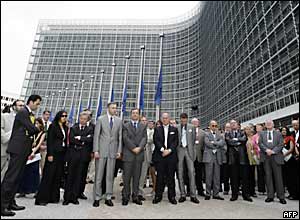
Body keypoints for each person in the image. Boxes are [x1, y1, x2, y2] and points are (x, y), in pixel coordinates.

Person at [1, 95, 41, 217]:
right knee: (11, 177)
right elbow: (32, 129)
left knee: (17, 178)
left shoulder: (30, 115)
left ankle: (10, 202)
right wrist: (36, 128)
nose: (38, 106)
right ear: (31, 102)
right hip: (18, 149)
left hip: (24, 149)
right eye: (37, 103)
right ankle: (2, 205)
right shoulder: (23, 112)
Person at [35, 110, 68, 206]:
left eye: (66, 116)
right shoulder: (53, 126)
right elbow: (50, 141)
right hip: (53, 154)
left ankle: (53, 197)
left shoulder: (65, 128)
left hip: (61, 155)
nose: (64, 117)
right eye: (63, 116)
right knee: (49, 175)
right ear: (58, 116)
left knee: (57, 176)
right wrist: (50, 154)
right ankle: (42, 199)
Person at [93, 102, 122, 207]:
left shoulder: (119, 121)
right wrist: (95, 150)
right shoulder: (101, 119)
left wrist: (119, 151)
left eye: (115, 108)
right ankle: (97, 197)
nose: (115, 109)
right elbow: (96, 136)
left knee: (110, 175)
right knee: (99, 175)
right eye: (113, 108)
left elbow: (119, 137)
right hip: (101, 151)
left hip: (113, 152)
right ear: (108, 108)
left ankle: (108, 196)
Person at [63, 112, 94, 205]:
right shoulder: (73, 128)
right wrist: (83, 140)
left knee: (79, 177)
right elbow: (72, 139)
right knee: (70, 176)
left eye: (85, 119)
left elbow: (90, 139)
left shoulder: (90, 129)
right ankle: (67, 198)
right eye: (82, 119)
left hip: (83, 156)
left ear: (87, 120)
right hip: (73, 155)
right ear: (79, 119)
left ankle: (74, 197)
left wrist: (80, 137)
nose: (83, 120)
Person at [121, 108, 147, 206]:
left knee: (137, 177)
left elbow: (145, 138)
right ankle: (125, 196)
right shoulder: (125, 125)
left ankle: (135, 196)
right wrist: (133, 148)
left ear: (139, 115)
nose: (135, 114)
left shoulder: (143, 126)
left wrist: (139, 148)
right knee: (126, 178)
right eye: (133, 113)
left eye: (137, 113)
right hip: (128, 154)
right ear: (131, 115)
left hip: (139, 155)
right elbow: (125, 138)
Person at [152, 113, 178, 205]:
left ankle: (172, 196)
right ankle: (158, 196)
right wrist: (163, 150)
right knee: (160, 177)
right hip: (160, 156)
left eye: (166, 118)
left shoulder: (174, 129)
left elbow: (175, 142)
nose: (165, 119)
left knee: (171, 177)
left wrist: (169, 150)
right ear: (161, 119)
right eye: (163, 118)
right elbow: (156, 141)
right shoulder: (157, 129)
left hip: (171, 157)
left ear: (169, 119)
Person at [258, 119, 286, 204]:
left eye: (270, 123)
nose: (269, 124)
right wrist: (266, 150)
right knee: (268, 176)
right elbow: (260, 143)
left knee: (278, 177)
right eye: (267, 123)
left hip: (276, 157)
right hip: (266, 157)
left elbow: (281, 144)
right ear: (265, 125)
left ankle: (281, 196)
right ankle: (270, 196)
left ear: (273, 124)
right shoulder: (262, 134)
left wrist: (273, 151)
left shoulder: (278, 133)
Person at [17, 118, 45, 198]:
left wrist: (33, 153)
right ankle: (22, 190)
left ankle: (36, 190)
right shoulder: (31, 132)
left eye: (38, 123)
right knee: (24, 172)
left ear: (41, 124)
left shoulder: (42, 133)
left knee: (35, 173)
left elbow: (39, 144)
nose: (36, 124)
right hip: (27, 153)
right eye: (35, 123)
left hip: (35, 154)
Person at [225, 119, 252, 202]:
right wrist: (238, 141)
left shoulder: (243, 132)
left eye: (234, 123)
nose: (233, 125)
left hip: (242, 158)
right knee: (233, 178)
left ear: (237, 125)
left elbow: (244, 140)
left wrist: (236, 140)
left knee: (244, 178)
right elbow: (229, 142)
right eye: (231, 123)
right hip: (232, 159)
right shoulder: (227, 133)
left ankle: (246, 195)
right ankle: (234, 195)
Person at [177, 113, 199, 204]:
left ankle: (193, 195)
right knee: (180, 172)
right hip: (180, 150)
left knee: (191, 172)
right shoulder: (176, 127)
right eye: (182, 120)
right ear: (180, 119)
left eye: (185, 120)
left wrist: (193, 153)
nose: (183, 122)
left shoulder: (192, 127)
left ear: (187, 119)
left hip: (189, 151)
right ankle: (182, 194)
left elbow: (193, 141)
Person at [1, 100, 24, 181]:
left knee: (5, 175)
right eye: (20, 105)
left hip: (15, 153)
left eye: (23, 106)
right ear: (14, 107)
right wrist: (15, 129)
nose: (22, 108)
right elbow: (3, 137)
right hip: (3, 150)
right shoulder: (4, 116)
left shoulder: (24, 120)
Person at [203, 120, 225, 200]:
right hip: (209, 157)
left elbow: (222, 143)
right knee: (208, 176)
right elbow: (207, 143)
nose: (214, 127)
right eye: (213, 125)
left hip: (217, 157)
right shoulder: (206, 134)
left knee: (217, 176)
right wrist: (217, 143)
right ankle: (208, 193)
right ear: (210, 126)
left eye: (216, 126)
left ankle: (216, 194)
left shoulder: (220, 134)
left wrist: (214, 142)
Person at [138, 118, 156, 200]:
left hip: (151, 155)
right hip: (140, 154)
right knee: (140, 174)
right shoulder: (140, 130)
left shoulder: (155, 131)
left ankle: (141, 192)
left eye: (146, 121)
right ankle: (137, 192)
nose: (145, 122)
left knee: (147, 173)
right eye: (143, 121)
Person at [281, 126, 297, 200]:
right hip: (284, 161)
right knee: (287, 178)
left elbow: (291, 149)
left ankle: (294, 194)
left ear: (287, 131)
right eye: (282, 130)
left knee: (292, 177)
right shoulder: (281, 139)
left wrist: (284, 155)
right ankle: (290, 193)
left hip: (290, 159)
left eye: (285, 130)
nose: (284, 131)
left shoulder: (290, 138)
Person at [191, 118, 206, 197]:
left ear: (198, 123)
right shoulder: (188, 131)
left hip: (199, 156)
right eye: (193, 122)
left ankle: (200, 190)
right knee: (189, 174)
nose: (194, 123)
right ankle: (189, 190)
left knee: (199, 174)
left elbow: (204, 145)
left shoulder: (203, 132)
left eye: (196, 122)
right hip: (190, 156)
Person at [244, 125, 260, 198]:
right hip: (245, 159)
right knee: (246, 175)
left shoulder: (254, 137)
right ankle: (247, 191)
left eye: (249, 129)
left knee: (252, 174)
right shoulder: (243, 138)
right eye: (246, 129)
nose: (248, 130)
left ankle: (252, 191)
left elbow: (257, 146)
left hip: (253, 158)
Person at [253, 123, 266, 195]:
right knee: (260, 172)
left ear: (262, 128)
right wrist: (256, 154)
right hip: (258, 155)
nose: (257, 129)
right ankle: (261, 189)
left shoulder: (265, 134)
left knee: (267, 172)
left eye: (259, 127)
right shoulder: (255, 136)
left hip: (265, 155)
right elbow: (254, 146)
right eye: (257, 128)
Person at [40, 110, 51, 175]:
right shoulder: (39, 122)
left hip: (45, 145)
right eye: (46, 114)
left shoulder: (50, 124)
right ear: (43, 115)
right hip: (38, 145)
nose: (48, 116)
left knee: (43, 163)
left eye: (49, 115)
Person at [221, 122, 231, 195]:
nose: (228, 128)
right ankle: (226, 189)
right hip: (224, 157)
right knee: (225, 175)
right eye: (226, 127)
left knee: (234, 174)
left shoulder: (233, 135)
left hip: (232, 157)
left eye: (229, 127)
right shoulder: (222, 136)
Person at [290, 120, 299, 200]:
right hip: (294, 158)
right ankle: (295, 194)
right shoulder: (292, 134)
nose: (295, 126)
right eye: (293, 125)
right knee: (294, 177)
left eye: (296, 125)